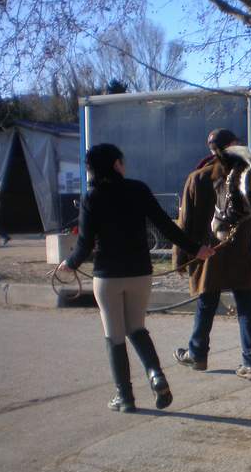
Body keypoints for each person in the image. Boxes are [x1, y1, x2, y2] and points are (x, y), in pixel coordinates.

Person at [59, 144, 214, 413]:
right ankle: (156, 375)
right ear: (116, 164)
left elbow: (84, 244)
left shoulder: (91, 197)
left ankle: (125, 397)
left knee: (115, 335)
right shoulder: (138, 189)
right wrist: (196, 249)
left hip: (108, 276)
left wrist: (70, 264)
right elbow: (166, 225)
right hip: (140, 272)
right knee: (137, 328)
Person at [173, 129, 251, 381]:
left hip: (209, 251)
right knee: (245, 303)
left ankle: (197, 354)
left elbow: (186, 223)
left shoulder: (199, 177)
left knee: (206, 302)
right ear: (234, 144)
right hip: (242, 250)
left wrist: (182, 256)